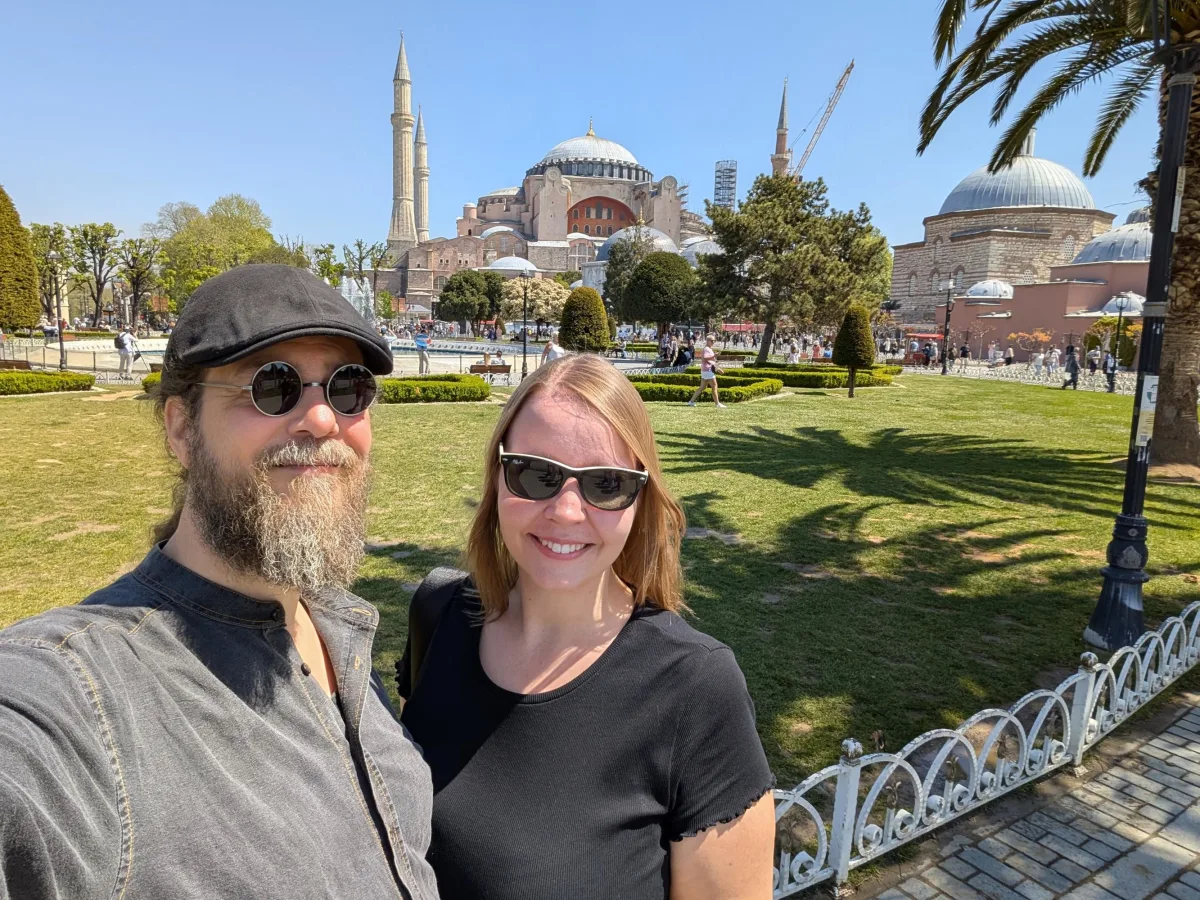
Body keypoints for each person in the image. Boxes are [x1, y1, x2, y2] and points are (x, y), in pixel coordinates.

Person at [0, 265, 440, 899]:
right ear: (181, 428)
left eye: (347, 388)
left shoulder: (342, 633)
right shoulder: (82, 700)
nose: (321, 421)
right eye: (273, 386)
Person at [398, 354, 774, 900]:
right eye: (535, 474)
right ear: (498, 476)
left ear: (640, 500)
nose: (567, 511)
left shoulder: (694, 690)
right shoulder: (438, 614)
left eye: (606, 485)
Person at [687, 333, 725, 408]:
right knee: (714, 386)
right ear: (708, 341)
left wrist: (717, 368)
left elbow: (710, 361)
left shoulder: (708, 349)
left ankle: (691, 402)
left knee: (702, 387)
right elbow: (705, 358)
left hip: (706, 370)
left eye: (714, 340)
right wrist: (714, 356)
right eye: (712, 340)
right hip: (708, 370)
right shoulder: (706, 349)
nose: (713, 342)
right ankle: (717, 404)